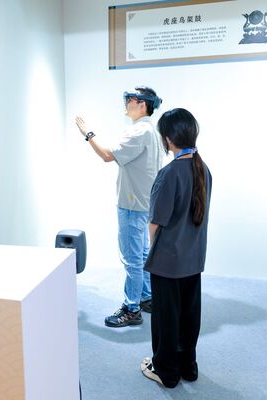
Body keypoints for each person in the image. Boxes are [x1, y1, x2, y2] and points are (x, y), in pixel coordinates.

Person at [75, 86, 163, 328]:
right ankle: (146, 297)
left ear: (142, 104)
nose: (126, 103)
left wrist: (88, 133)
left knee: (132, 259)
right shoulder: (152, 131)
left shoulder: (139, 132)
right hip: (145, 203)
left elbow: (106, 155)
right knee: (142, 254)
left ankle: (132, 308)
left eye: (130, 99)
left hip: (132, 204)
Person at [140, 108, 212, 388]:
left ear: (168, 139)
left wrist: (152, 250)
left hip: (168, 262)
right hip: (193, 259)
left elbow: (155, 222)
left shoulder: (169, 173)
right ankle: (188, 366)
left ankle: (166, 371)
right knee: (189, 316)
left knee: (166, 318)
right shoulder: (204, 169)